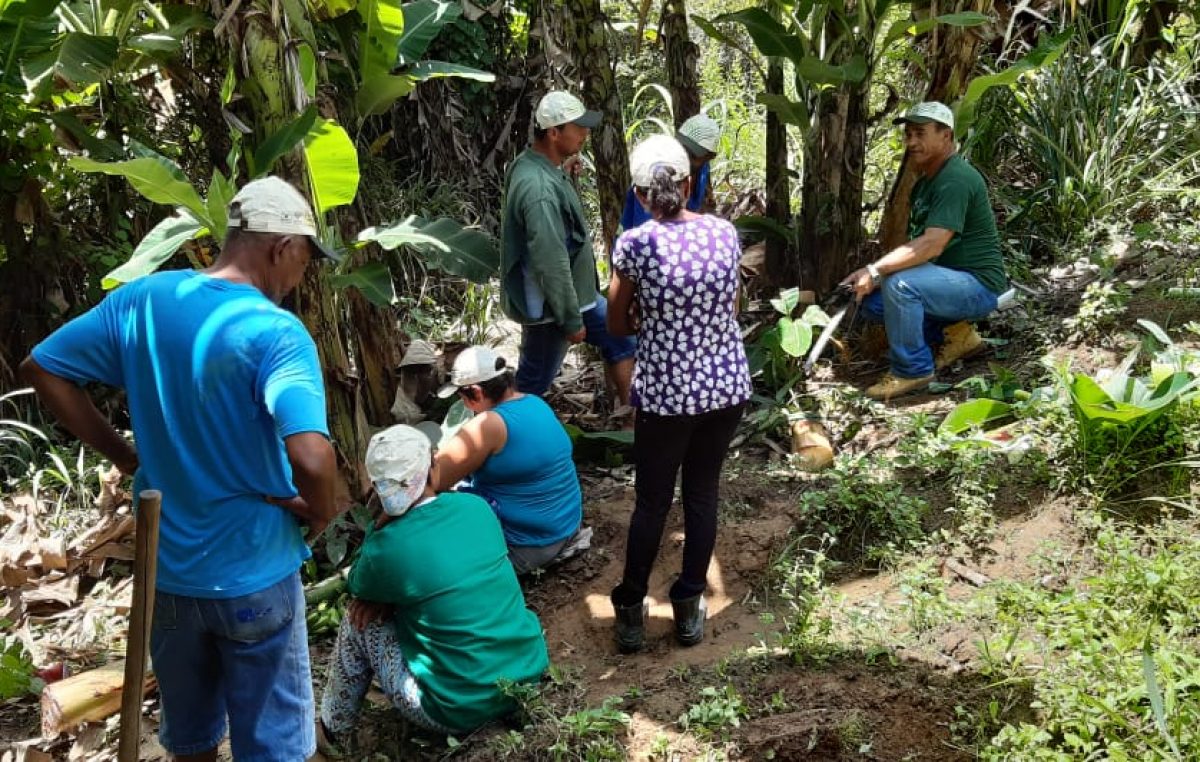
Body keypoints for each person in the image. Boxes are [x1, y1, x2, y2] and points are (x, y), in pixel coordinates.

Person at [20, 176, 341, 762]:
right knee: (273, 749)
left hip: (166, 574)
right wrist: (322, 512)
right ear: (280, 248)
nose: (303, 274)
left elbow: (43, 367)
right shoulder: (276, 333)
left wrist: (124, 456)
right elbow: (312, 456)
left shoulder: (142, 300)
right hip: (255, 571)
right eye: (304, 258)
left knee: (190, 741)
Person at [605, 135, 752, 653]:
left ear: (641, 194)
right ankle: (689, 605)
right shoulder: (724, 232)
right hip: (725, 387)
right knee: (702, 494)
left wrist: (654, 319)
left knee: (651, 502)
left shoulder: (635, 245)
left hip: (667, 396)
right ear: (689, 184)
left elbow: (617, 323)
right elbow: (730, 308)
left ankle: (630, 610)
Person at [318, 425, 549, 750]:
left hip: (452, 710)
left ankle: (332, 732)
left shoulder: (385, 550)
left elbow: (360, 586)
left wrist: (376, 528)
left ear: (376, 489)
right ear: (433, 468)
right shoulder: (476, 508)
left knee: (359, 620)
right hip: (527, 675)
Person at [840, 101, 1008, 401]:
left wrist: (876, 270)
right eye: (908, 135)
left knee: (901, 285)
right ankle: (955, 337)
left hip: (978, 284)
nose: (911, 142)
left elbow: (932, 244)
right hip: (948, 281)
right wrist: (872, 277)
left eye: (920, 133)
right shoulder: (925, 185)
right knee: (873, 302)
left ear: (946, 136)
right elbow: (914, 248)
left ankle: (912, 370)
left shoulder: (955, 179)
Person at [499, 90, 636, 407]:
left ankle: (634, 421)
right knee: (532, 385)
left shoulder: (532, 166)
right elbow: (551, 259)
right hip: (554, 305)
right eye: (579, 127)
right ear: (554, 132)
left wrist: (565, 177)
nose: (586, 134)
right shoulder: (540, 189)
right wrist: (571, 320)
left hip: (575, 297)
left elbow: (558, 229)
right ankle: (503, 441)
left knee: (621, 340)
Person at [432, 345, 590, 575]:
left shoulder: (488, 425)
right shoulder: (535, 402)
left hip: (528, 547)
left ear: (476, 392)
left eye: (462, 395)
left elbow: (431, 481)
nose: (462, 403)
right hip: (566, 525)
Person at [619, 113, 720, 232]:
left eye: (692, 156)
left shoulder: (702, 170)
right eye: (682, 150)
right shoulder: (653, 174)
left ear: (709, 157)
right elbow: (648, 229)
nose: (684, 158)